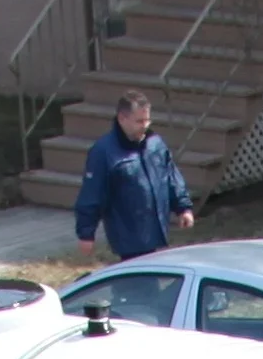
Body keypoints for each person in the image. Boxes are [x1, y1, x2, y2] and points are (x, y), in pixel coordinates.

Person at [72, 92, 192, 264]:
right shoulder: (104, 152)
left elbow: (171, 176)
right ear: (122, 118)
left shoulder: (155, 144)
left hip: (157, 232)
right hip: (128, 238)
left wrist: (183, 207)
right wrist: (86, 234)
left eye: (147, 120)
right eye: (139, 121)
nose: (145, 126)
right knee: (135, 287)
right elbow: (92, 193)